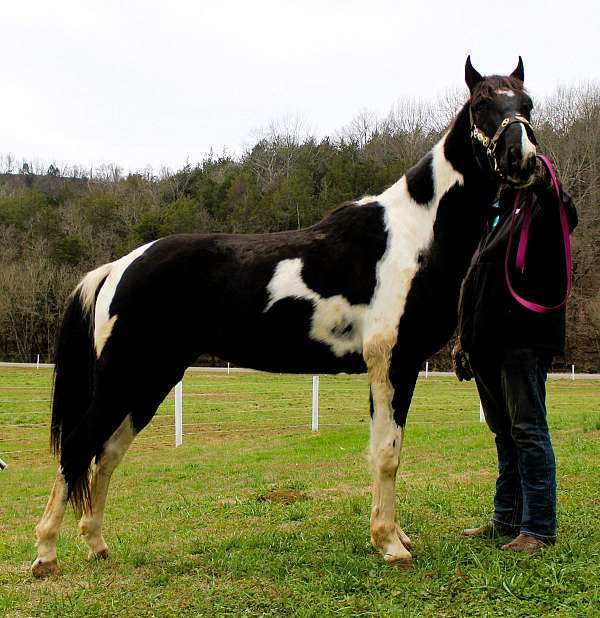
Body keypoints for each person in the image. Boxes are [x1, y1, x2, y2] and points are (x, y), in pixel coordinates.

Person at [453, 156, 578, 553]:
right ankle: (506, 518)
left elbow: (562, 205)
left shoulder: (543, 208)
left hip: (523, 341)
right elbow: (476, 286)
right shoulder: (496, 220)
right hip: (486, 343)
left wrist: (540, 176)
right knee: (504, 434)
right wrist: (463, 341)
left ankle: (538, 528)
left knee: (528, 431)